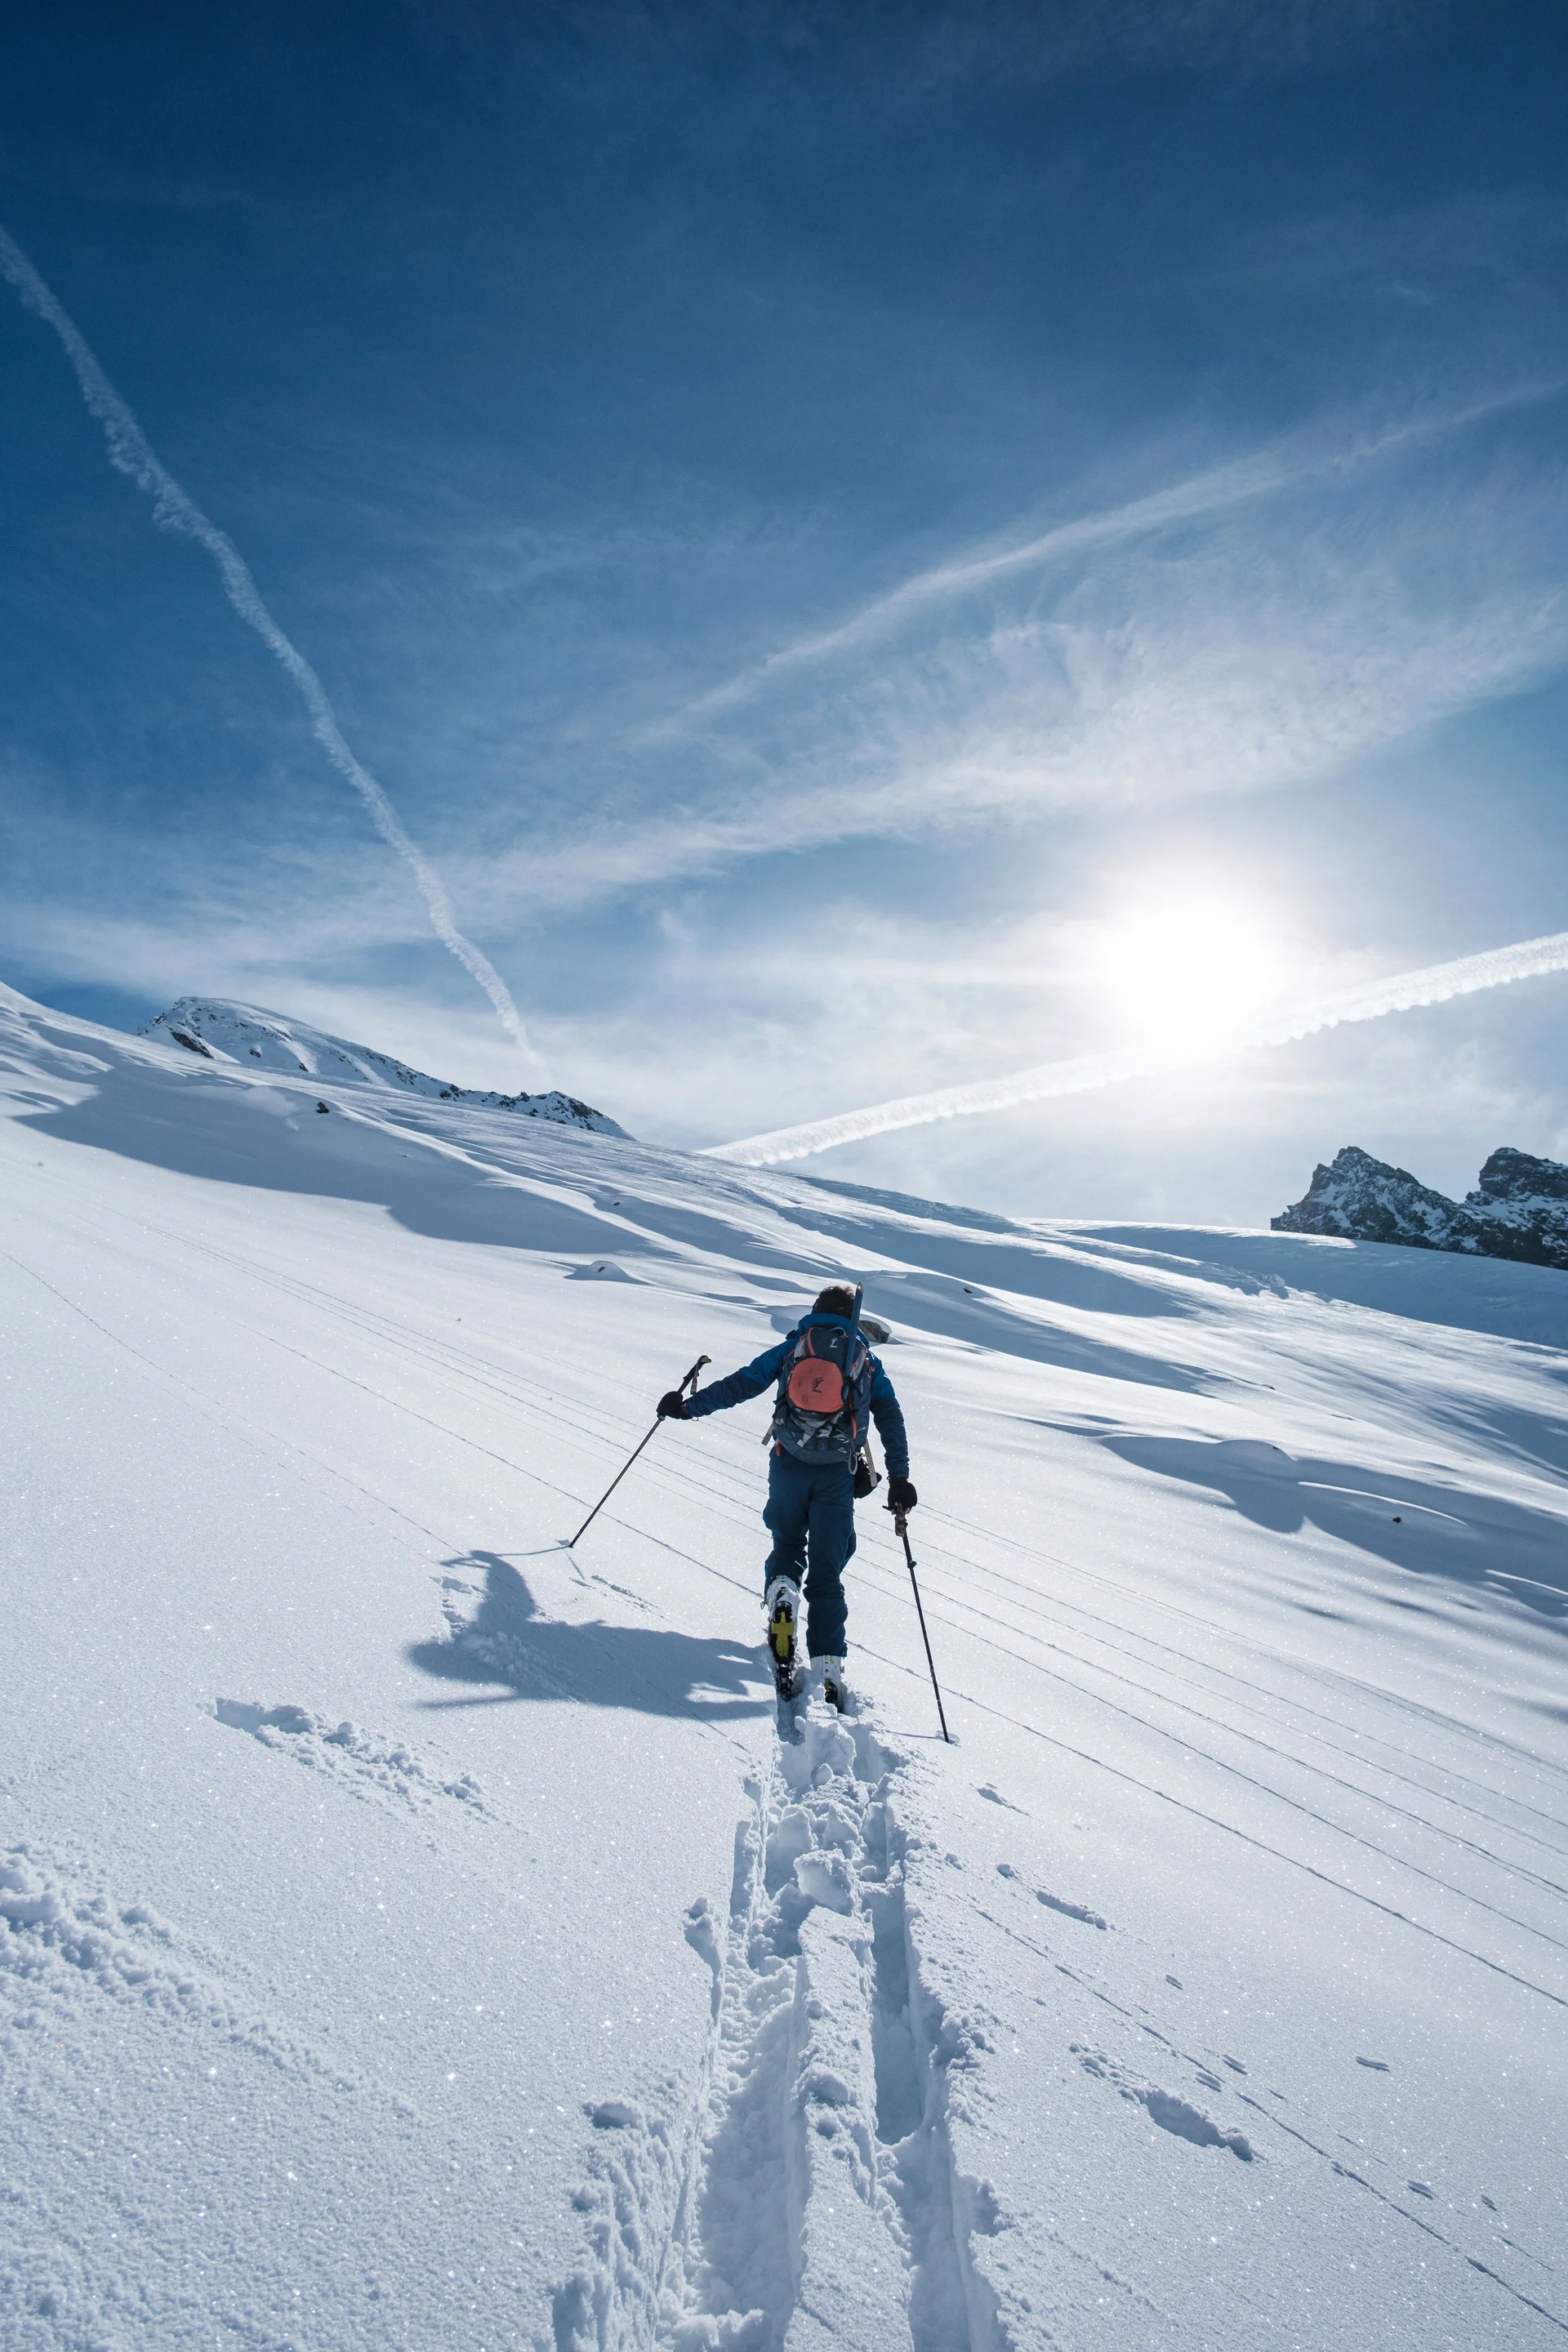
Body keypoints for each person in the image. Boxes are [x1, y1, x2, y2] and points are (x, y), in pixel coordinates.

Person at [657, 1284, 915, 1711]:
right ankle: (828, 1669)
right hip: (837, 1475)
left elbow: (742, 1383)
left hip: (787, 1463)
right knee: (828, 1573)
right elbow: (891, 1418)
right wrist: (899, 1477)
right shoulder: (865, 1360)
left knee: (788, 1544)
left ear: (817, 1311)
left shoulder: (795, 1347)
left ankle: (782, 1593)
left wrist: (687, 1407)